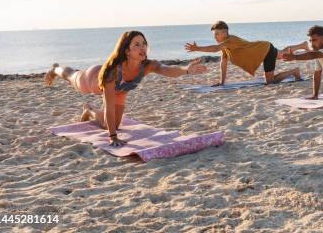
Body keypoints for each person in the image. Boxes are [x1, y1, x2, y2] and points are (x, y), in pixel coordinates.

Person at [44, 31, 207, 147]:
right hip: (92, 80)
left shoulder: (147, 65)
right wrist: (113, 137)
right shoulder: (113, 72)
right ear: (127, 51)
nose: (142, 47)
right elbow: (108, 105)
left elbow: (166, 69)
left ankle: (89, 110)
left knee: (114, 124)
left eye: (144, 44)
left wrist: (186, 69)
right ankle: (55, 69)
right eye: (137, 44)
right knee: (72, 76)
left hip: (121, 91)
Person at [184, 21, 301, 86]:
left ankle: (294, 71)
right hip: (262, 49)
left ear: (224, 32)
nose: (215, 37)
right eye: (214, 34)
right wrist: (222, 82)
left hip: (265, 50)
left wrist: (197, 48)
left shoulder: (230, 41)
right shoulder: (226, 45)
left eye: (217, 34)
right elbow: (223, 63)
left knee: (270, 82)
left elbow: (214, 49)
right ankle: (302, 46)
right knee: (284, 54)